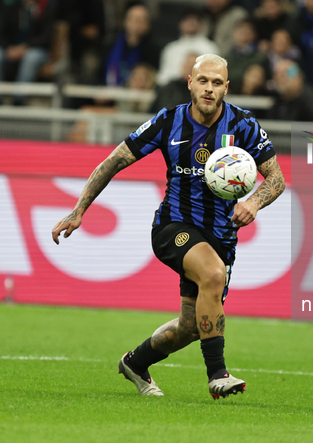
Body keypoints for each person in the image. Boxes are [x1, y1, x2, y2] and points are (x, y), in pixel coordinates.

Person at [51, 54, 286, 399]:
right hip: (172, 227)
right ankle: (217, 375)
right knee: (213, 274)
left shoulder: (244, 125)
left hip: (221, 234)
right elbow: (114, 161)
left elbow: (277, 179)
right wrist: (79, 209)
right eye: (203, 80)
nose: (209, 89)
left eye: (217, 83)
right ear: (190, 82)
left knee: (191, 327)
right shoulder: (168, 121)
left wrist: (253, 202)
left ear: (226, 88)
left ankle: (135, 362)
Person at [156, 8, 219, 87]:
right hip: (173, 91)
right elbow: (163, 77)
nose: (190, 23)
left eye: (194, 20)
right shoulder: (170, 49)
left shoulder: (210, 48)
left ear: (201, 25)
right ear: (180, 24)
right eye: (187, 20)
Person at [103, 2, 160, 86]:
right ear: (125, 21)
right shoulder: (110, 43)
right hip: (108, 91)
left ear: (148, 25)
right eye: (134, 19)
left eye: (141, 20)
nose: (137, 24)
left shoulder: (153, 51)